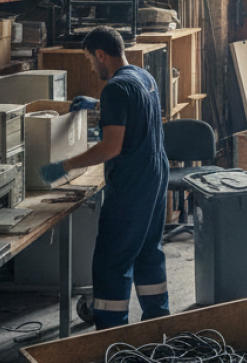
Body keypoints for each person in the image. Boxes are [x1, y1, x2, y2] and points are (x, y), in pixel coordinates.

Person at [39, 26, 171, 330]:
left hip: (131, 184)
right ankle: (158, 322)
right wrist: (96, 105)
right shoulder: (142, 75)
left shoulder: (115, 88)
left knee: (112, 260)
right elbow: (133, 109)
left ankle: (111, 333)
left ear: (101, 54)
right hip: (155, 175)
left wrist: (66, 165)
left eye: (89, 60)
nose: (90, 66)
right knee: (149, 251)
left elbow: (111, 147)